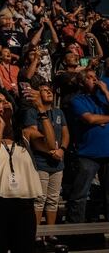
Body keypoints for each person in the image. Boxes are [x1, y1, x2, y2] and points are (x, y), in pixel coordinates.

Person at [0, 89, 52, 253]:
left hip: (23, 206)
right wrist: (1, 125)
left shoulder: (25, 134)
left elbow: (51, 145)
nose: (4, 102)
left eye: (6, 99)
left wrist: (42, 112)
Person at [22, 83, 69, 244]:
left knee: (53, 198)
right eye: (44, 91)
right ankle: (37, 233)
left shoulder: (58, 112)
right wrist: (50, 152)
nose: (49, 92)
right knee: (39, 199)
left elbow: (65, 133)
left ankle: (50, 232)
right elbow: (33, 137)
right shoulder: (32, 112)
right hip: (41, 162)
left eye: (50, 90)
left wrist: (62, 149)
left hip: (57, 163)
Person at [66, 69, 109, 223]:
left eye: (96, 77)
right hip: (88, 153)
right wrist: (100, 119)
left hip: (107, 152)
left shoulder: (104, 99)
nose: (95, 80)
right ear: (82, 82)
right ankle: (75, 229)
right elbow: (90, 119)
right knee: (80, 193)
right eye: (90, 78)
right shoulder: (77, 100)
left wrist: (105, 91)